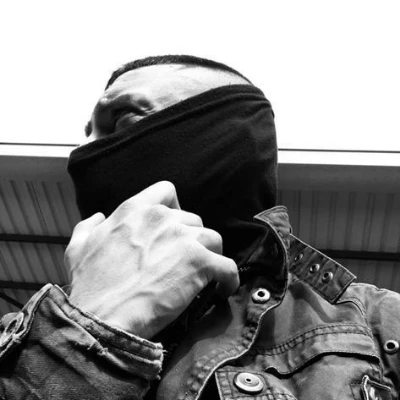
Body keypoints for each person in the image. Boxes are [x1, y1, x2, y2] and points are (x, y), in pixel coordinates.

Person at [0, 55, 399, 399]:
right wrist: (90, 326)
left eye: (121, 119)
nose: (82, 152)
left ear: (229, 140)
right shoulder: (16, 336)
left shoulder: (379, 322)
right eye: (87, 134)